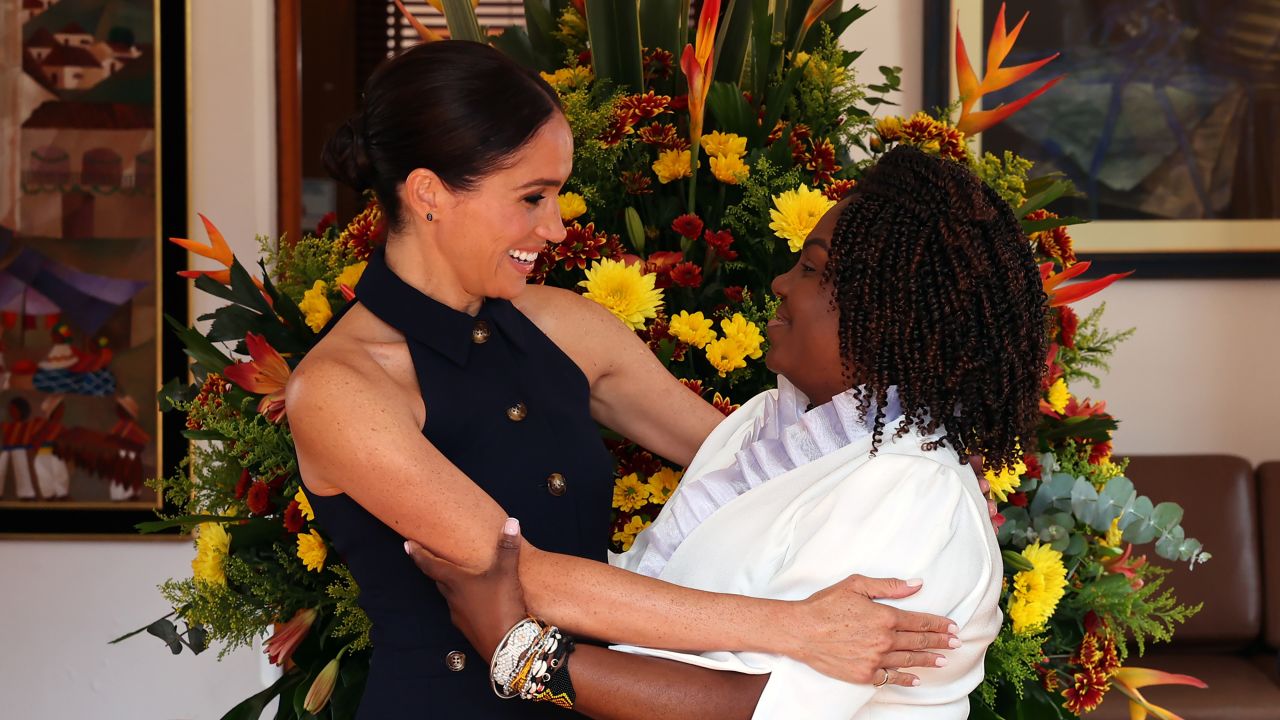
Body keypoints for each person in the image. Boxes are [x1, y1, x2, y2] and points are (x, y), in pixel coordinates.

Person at [287, 40, 962, 719]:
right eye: (532, 197)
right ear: (430, 193)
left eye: (558, 193)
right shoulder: (340, 390)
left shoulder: (564, 326)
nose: (554, 228)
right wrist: (797, 628)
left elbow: (761, 464)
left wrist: (925, 493)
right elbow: (529, 579)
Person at [407, 145, 1047, 718]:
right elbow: (664, 600)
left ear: (894, 317)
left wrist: (524, 656)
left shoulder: (912, 493)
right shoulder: (765, 425)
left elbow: (762, 708)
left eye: (813, 269)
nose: (781, 284)